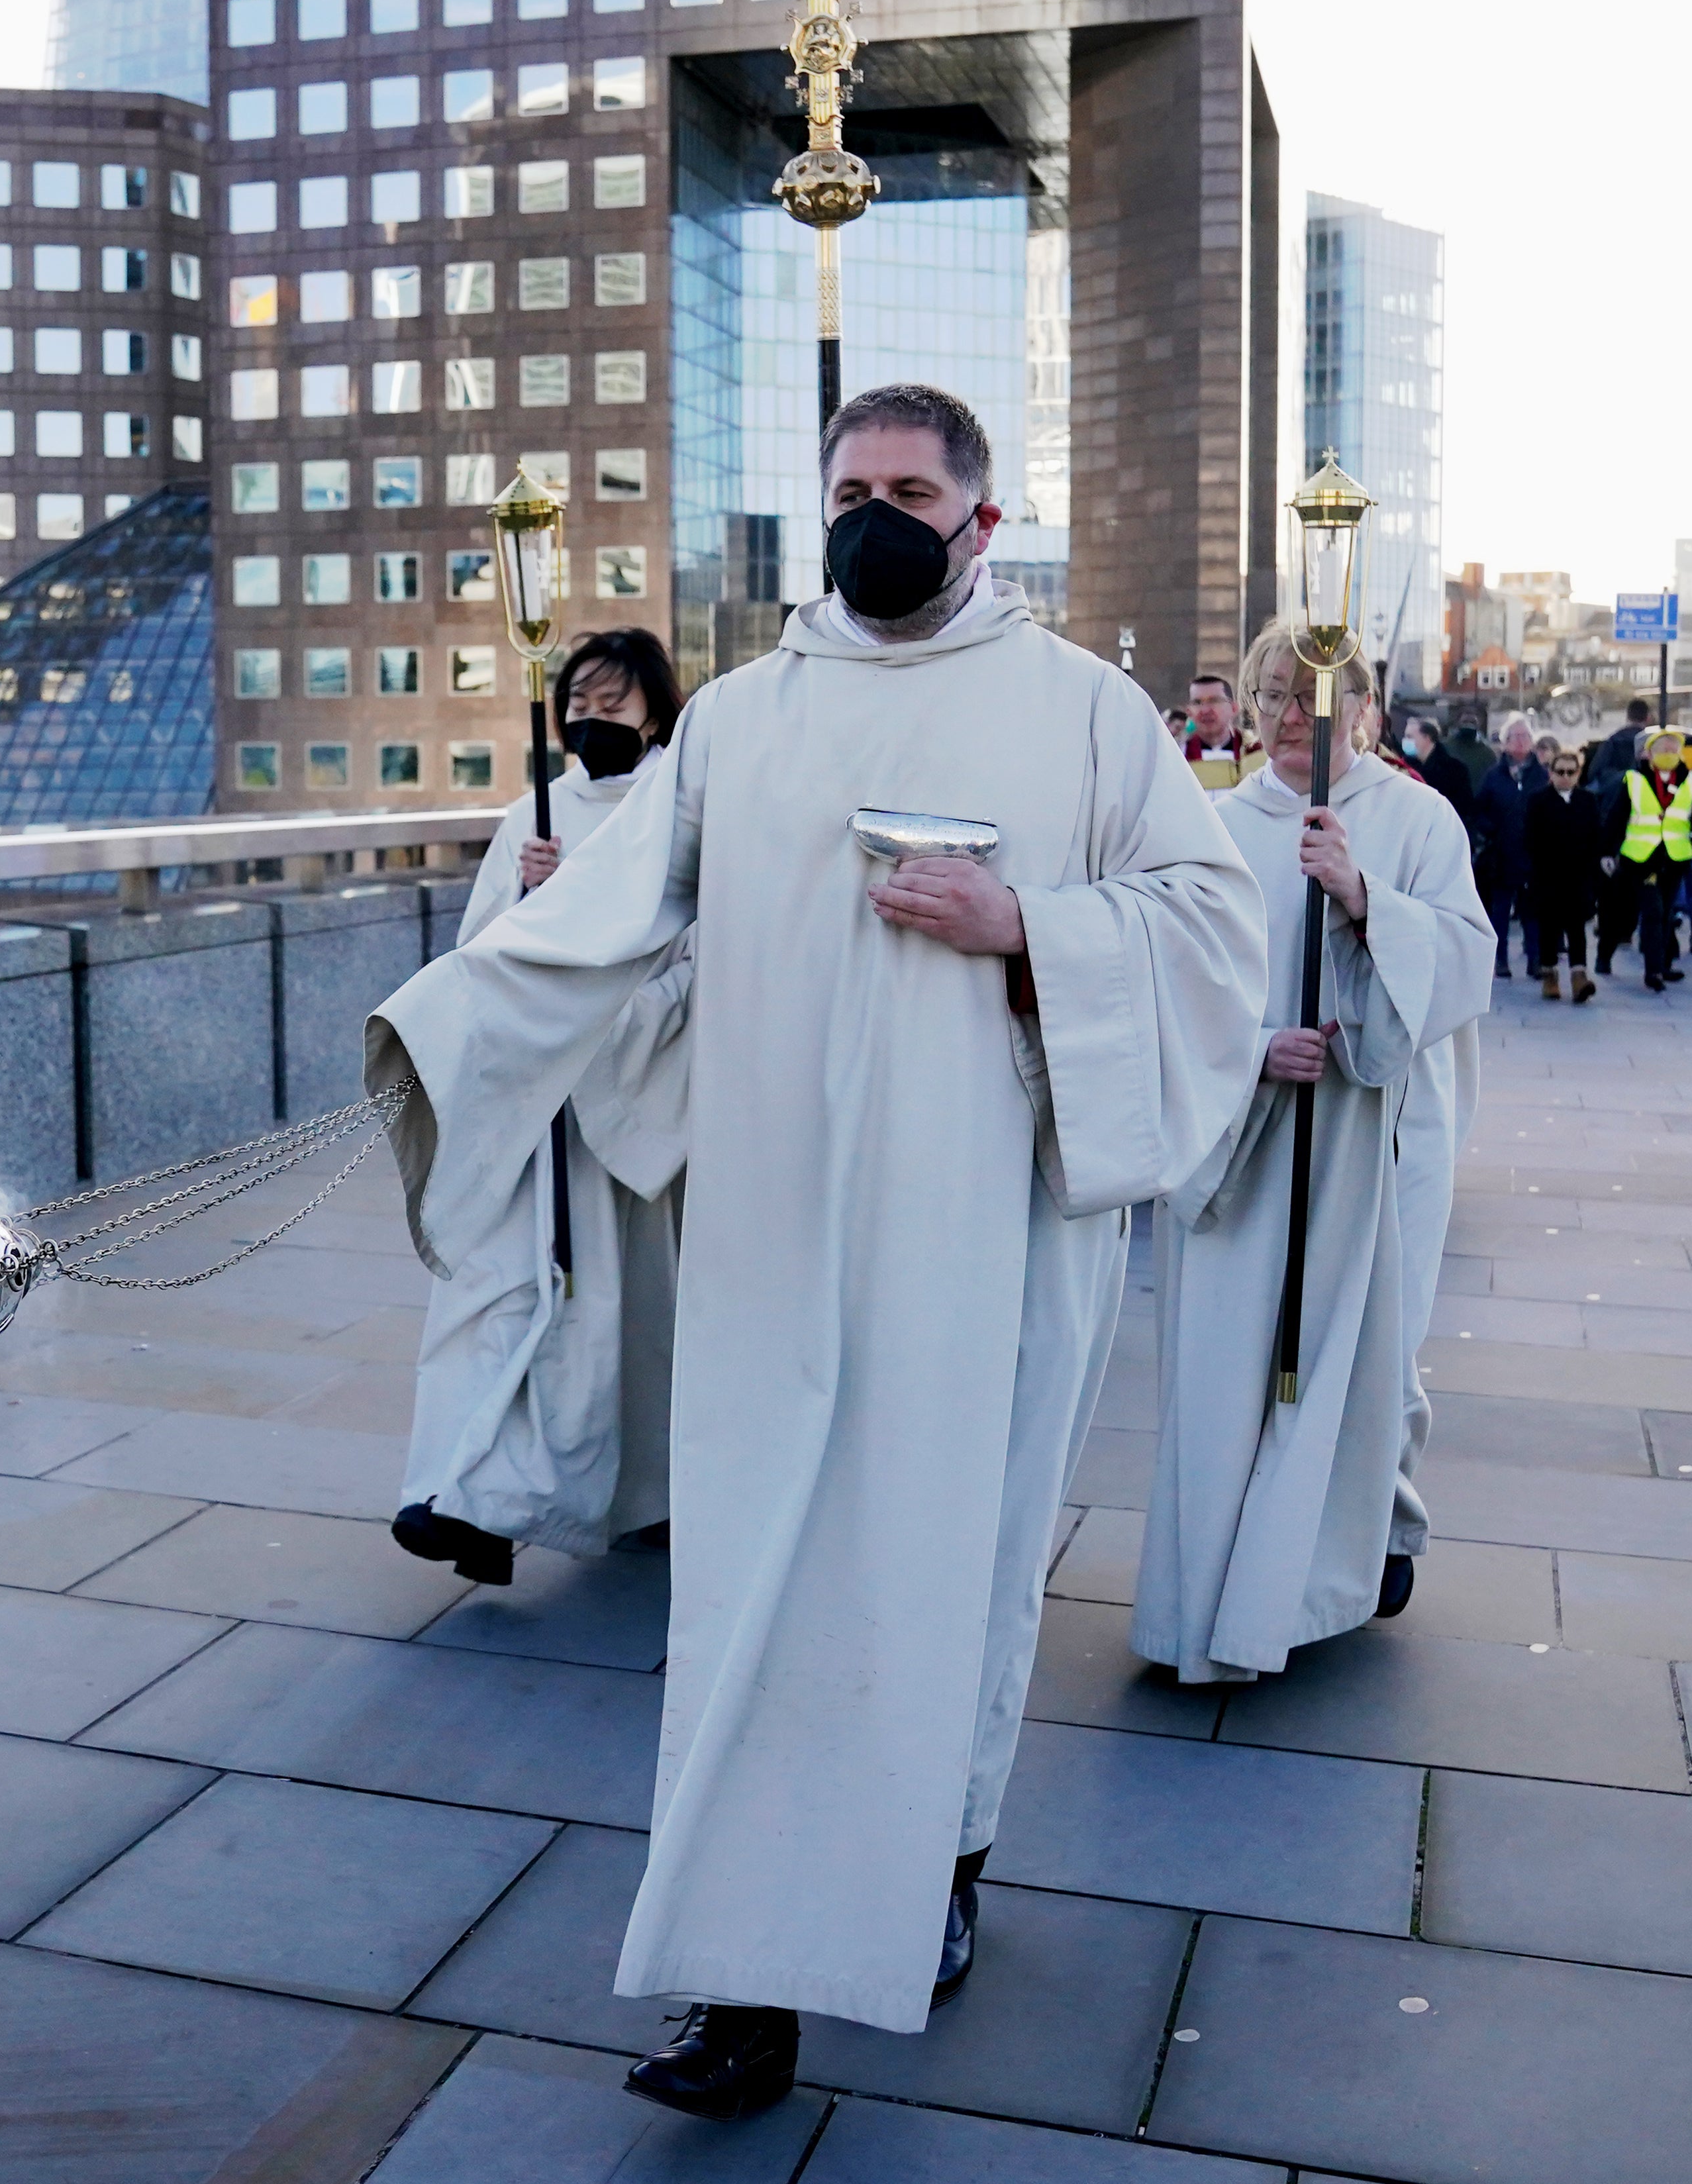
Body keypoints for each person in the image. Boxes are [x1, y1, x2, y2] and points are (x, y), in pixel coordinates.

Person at [365, 382, 1266, 2114]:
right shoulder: (744, 722)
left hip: (986, 1241)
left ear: (979, 521)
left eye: (909, 488)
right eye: (849, 486)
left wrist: (1024, 928)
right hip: (770, 1239)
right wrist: (450, 1031)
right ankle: (737, 1984)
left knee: (955, 1576)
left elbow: (1208, 934)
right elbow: (612, 929)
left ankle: (935, 1866)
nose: (876, 514)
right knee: (752, 1598)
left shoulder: (1086, 716)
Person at [1136, 622, 1489, 1678]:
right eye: (1279, 696)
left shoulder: (1417, 820)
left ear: (1370, 714)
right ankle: (1218, 1595)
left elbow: (1466, 963)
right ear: (1247, 709)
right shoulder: (1208, 826)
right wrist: (1248, 1053)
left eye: (1323, 699)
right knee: (1230, 1365)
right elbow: (1169, 981)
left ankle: (1346, 1555)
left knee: (1363, 1352)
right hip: (1238, 1144)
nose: (1300, 719)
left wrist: (1365, 897)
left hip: (1373, 1135)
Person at [394, 629, 692, 1584]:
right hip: (531, 1109)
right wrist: (531, 905)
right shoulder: (538, 810)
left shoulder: (676, 809)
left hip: (619, 1104)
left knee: (602, 1314)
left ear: (655, 707)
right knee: (497, 1297)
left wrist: (589, 935)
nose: (592, 719)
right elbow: (481, 951)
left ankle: (626, 1493)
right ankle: (462, 1496)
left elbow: (694, 954)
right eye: (579, 702)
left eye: (614, 701)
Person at [1603, 726, 1692, 992]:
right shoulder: (1634, 781)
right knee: (1646, 912)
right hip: (1640, 859)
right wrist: (1606, 853)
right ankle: (1653, 970)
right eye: (1663, 750)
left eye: (1674, 750)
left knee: (1665, 913)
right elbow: (1616, 818)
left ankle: (1662, 965)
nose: (1669, 755)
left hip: (1673, 859)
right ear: (1648, 754)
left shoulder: (1689, 782)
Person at [1522, 747, 1602, 1004]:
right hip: (1548, 875)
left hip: (1578, 876)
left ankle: (1579, 976)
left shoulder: (1587, 800)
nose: (1566, 777)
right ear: (1551, 773)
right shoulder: (1538, 800)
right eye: (1560, 772)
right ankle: (1550, 975)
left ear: (1578, 773)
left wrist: (1594, 871)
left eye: (1571, 772)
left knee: (1577, 927)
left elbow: (1594, 837)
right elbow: (1530, 839)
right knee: (1549, 927)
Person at [1473, 716, 1548, 981]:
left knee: (1533, 912)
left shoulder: (1542, 776)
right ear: (1504, 744)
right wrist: (1491, 832)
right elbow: (1478, 810)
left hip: (1533, 854)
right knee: (1500, 910)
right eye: (1515, 736)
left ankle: (1535, 960)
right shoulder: (1494, 776)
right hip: (1501, 855)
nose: (1520, 741)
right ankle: (1501, 959)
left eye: (1525, 736)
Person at [1587, 699, 1653, 975]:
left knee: (1613, 896)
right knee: (1648, 901)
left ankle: (1607, 951)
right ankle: (1646, 956)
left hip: (1615, 834)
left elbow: (1595, 776)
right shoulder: (1650, 755)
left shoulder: (1612, 743)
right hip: (1648, 842)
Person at [1183, 671, 1254, 789]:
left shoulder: (1256, 753)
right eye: (1197, 703)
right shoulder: (1177, 755)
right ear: (1189, 711)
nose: (1205, 710)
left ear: (1234, 708)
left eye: (1214, 701)